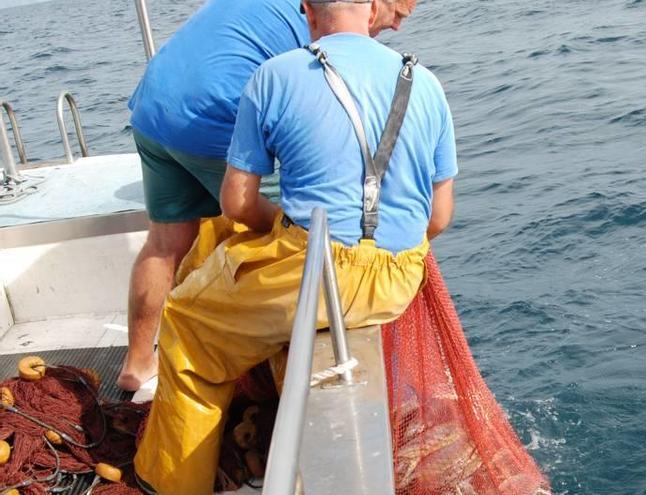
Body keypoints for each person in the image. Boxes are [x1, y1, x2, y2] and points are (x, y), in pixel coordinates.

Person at [133, 0, 455, 492]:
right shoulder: (426, 83)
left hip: (316, 269)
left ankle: (171, 483)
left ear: (307, 9)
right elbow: (438, 218)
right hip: (398, 278)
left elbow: (237, 205)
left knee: (187, 328)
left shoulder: (274, 75)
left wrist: (288, 224)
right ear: (371, 8)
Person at [119, 0, 417, 391]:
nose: (396, 27)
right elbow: (319, 113)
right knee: (287, 239)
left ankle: (138, 363)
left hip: (153, 111)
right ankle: (266, 384)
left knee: (163, 243)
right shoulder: (320, 26)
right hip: (212, 117)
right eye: (398, 14)